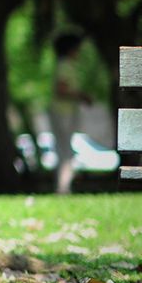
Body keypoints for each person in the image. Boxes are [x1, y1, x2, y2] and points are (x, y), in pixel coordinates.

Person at [49, 32, 86, 195]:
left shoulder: (64, 65)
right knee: (65, 151)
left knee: (63, 150)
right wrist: (81, 96)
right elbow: (61, 90)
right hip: (64, 112)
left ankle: (63, 186)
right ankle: (63, 187)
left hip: (63, 111)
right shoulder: (65, 66)